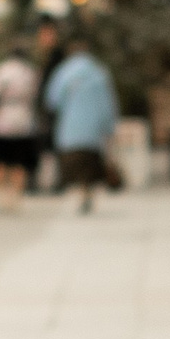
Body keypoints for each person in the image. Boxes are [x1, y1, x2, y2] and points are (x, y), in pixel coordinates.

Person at [41, 34, 118, 214]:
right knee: (91, 163)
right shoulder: (98, 72)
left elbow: (52, 100)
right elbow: (108, 103)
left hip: (71, 128)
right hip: (93, 129)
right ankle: (87, 191)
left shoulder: (64, 72)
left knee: (75, 163)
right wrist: (109, 126)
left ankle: (82, 193)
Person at [0, 41, 41, 211]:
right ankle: (16, 197)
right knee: (20, 161)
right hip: (24, 119)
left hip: (2, 120)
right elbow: (36, 94)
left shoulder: (1, 70)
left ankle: (1, 198)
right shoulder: (29, 72)